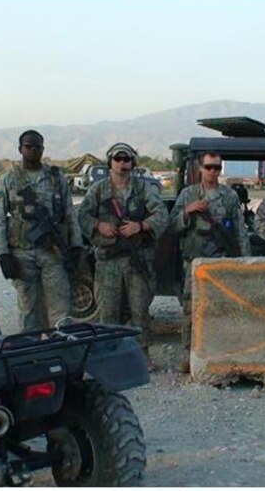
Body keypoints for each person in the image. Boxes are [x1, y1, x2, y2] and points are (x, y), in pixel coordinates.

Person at [77, 142, 168, 368]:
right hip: (109, 260)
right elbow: (82, 215)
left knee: (140, 309)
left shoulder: (143, 189)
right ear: (110, 162)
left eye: (126, 159)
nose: (122, 163)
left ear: (133, 163)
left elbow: (162, 215)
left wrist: (142, 225)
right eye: (118, 159)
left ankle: (142, 355)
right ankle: (108, 357)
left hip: (137, 260)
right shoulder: (98, 190)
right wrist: (99, 225)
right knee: (108, 311)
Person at [0, 129, 83, 332]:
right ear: (20, 149)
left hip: (53, 253)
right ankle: (30, 354)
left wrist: (75, 245)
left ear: (43, 149)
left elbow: (70, 213)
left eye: (37, 146)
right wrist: (2, 254)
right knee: (29, 308)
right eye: (28, 146)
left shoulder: (56, 178)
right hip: (22, 252)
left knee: (60, 306)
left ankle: (61, 349)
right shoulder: (9, 179)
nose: (32, 150)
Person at [171, 152, 251, 373]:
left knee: (221, 309)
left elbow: (239, 230)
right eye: (209, 167)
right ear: (200, 168)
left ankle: (219, 354)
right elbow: (173, 226)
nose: (213, 171)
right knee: (191, 308)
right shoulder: (188, 195)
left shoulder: (229, 196)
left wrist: (244, 260)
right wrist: (188, 211)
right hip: (194, 263)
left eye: (217, 167)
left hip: (221, 262)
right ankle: (188, 354)